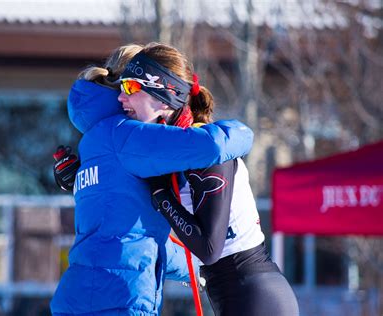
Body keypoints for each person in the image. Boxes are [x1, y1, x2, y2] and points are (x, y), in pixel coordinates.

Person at [50, 43, 254, 316]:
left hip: (77, 299)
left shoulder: (94, 140)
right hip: (119, 299)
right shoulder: (127, 135)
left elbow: (134, 241)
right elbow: (211, 147)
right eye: (130, 87)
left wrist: (195, 267)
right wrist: (242, 131)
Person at [121, 47, 300, 314]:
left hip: (253, 293)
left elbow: (209, 248)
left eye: (130, 86)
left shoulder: (204, 148)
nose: (121, 96)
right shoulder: (175, 153)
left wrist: (160, 194)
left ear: (164, 97)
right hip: (235, 291)